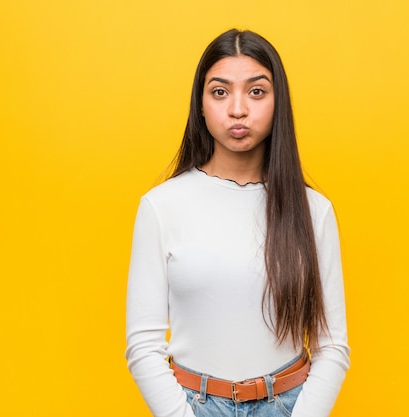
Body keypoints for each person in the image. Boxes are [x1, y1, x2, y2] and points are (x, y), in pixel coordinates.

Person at [125, 29, 350, 417]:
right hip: (193, 406)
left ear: (278, 102)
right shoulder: (162, 206)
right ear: (200, 104)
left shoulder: (314, 210)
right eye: (220, 92)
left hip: (289, 404)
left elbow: (332, 347)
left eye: (257, 92)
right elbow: (143, 345)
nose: (238, 109)